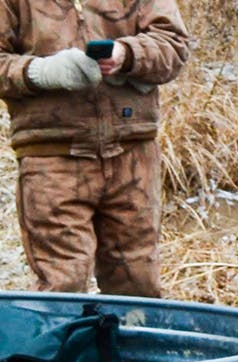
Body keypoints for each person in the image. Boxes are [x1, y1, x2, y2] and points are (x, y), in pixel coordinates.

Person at [1, 0, 189, 298]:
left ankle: (128, 344)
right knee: (62, 285)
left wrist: (126, 55)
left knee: (137, 283)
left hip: (133, 155)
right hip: (51, 159)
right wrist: (40, 72)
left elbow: (174, 44)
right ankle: (62, 344)